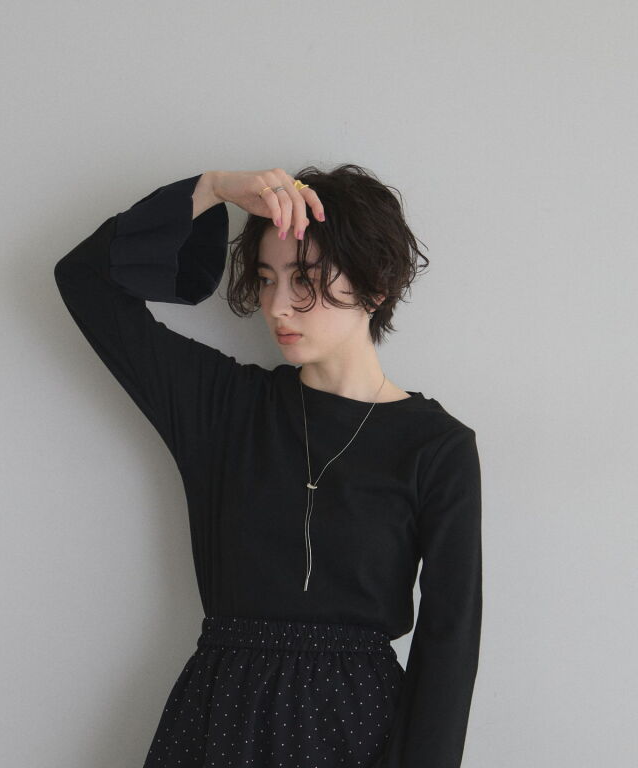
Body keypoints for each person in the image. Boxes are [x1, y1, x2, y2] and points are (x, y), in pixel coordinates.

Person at [53, 165, 482, 767]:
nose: (278, 306)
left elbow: (449, 644)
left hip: (360, 732)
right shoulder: (223, 407)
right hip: (219, 723)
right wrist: (211, 189)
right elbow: (83, 279)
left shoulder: (436, 447)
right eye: (265, 278)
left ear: (376, 285)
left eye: (304, 278)